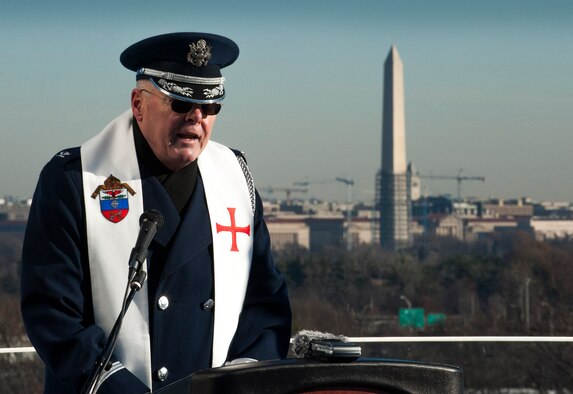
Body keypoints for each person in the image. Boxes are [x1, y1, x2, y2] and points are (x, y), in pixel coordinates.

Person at [20, 32, 292, 393]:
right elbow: (52, 312)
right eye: (180, 104)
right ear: (138, 104)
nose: (197, 118)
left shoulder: (236, 180)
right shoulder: (73, 180)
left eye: (210, 108)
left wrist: (244, 379)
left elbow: (265, 303)